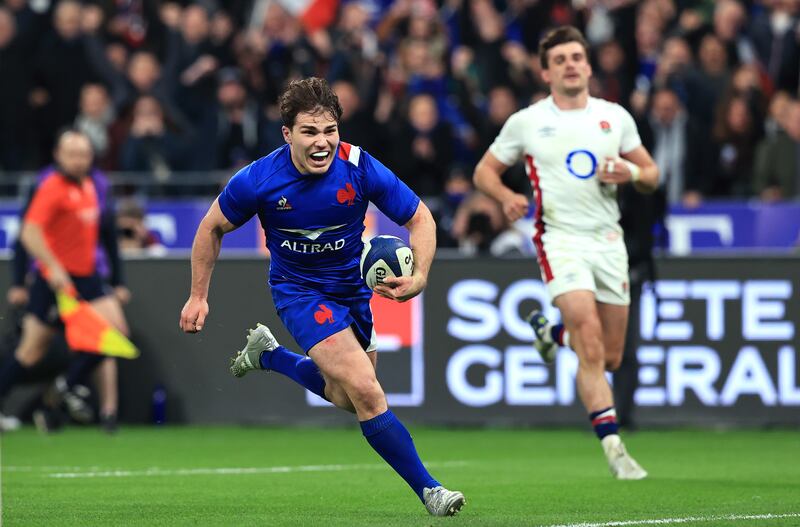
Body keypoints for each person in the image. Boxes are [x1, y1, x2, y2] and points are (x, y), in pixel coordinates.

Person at [179, 77, 465, 516]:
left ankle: (269, 356)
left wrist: (421, 276)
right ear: (287, 134)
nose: (322, 142)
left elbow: (420, 218)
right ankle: (431, 490)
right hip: (299, 292)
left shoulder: (360, 167)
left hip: (352, 289)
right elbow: (211, 227)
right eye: (310, 132)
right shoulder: (259, 179)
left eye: (329, 130)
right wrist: (198, 296)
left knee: (346, 396)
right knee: (369, 394)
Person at [473, 26, 659, 480]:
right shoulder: (528, 121)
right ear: (546, 72)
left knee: (609, 355)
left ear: (589, 65)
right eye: (560, 59)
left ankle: (549, 334)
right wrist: (504, 196)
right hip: (559, 239)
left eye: (577, 56)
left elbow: (653, 174)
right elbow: (484, 171)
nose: (571, 64)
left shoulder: (614, 117)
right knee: (590, 339)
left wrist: (631, 171)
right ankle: (614, 447)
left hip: (608, 242)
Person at [0, 130, 129, 431]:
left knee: (117, 334)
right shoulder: (52, 187)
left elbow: (105, 234)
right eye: (72, 154)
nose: (79, 160)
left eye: (84, 154)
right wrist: (53, 267)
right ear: (58, 156)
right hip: (54, 282)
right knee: (31, 352)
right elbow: (29, 233)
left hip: (87, 278)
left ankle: (62, 388)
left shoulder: (90, 186)